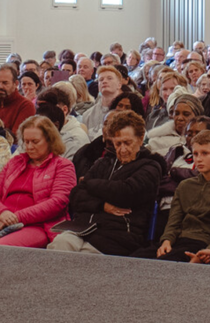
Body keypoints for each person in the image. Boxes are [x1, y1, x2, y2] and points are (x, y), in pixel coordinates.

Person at [48, 110, 164, 255]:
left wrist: (89, 183)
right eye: (118, 144)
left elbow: (125, 192)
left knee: (84, 256)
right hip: (84, 228)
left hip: (119, 235)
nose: (122, 149)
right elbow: (76, 196)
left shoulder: (151, 166)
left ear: (140, 139)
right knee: (59, 245)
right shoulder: (104, 162)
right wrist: (101, 205)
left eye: (127, 143)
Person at [132, 130, 210, 263]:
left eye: (205, 153)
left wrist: (205, 254)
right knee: (135, 259)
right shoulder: (185, 186)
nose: (199, 159)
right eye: (195, 154)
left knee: (162, 264)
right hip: (178, 241)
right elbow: (173, 222)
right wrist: (166, 241)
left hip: (202, 244)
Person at [0, 116, 76, 248]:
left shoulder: (63, 166)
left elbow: (57, 203)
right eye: (26, 141)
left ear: (50, 140)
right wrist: (3, 212)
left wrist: (16, 217)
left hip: (39, 226)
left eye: (35, 141)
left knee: (3, 248)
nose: (29, 147)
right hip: (3, 219)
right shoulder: (15, 162)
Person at [82, 66, 124, 140]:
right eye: (101, 80)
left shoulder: (126, 111)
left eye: (109, 78)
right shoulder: (87, 115)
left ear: (119, 85)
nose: (104, 81)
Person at [0, 64, 35, 134]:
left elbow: (16, 138)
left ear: (15, 84)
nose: (0, 86)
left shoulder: (25, 106)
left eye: (5, 83)